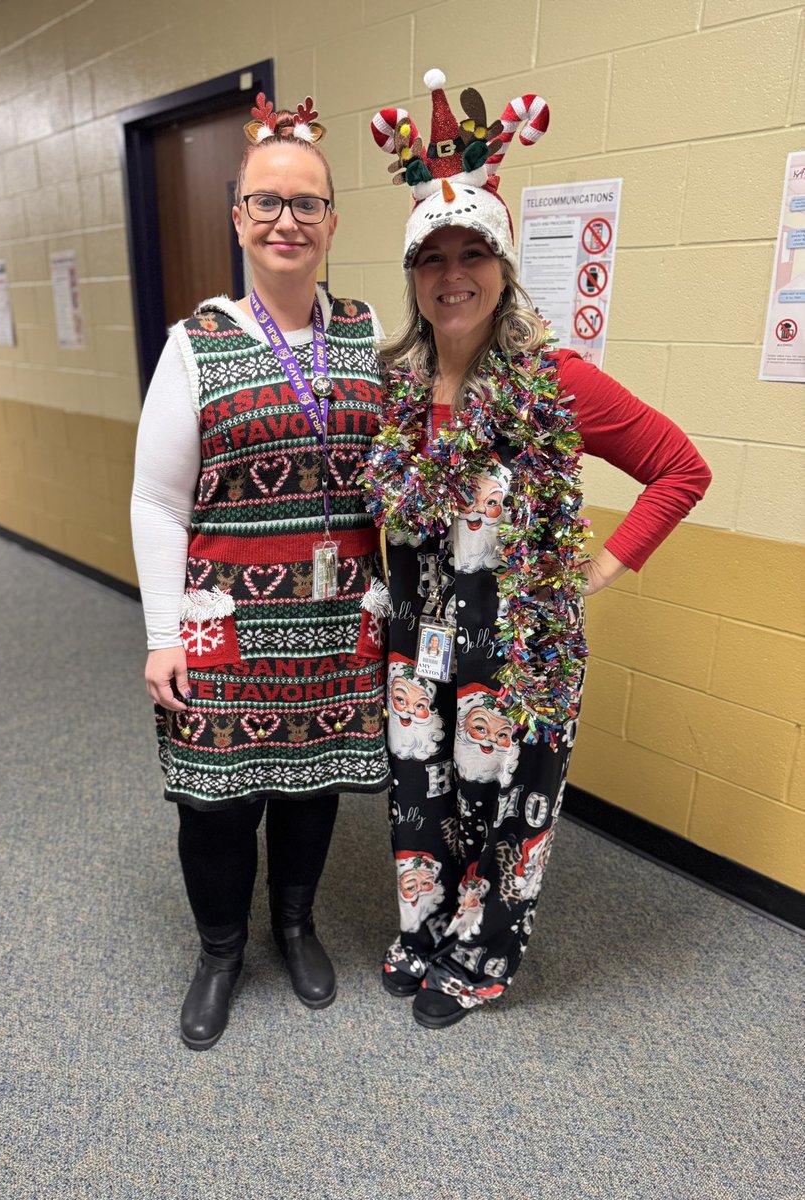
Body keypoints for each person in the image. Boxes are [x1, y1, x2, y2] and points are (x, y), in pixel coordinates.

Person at [363, 71, 712, 1027]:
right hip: (418, 642)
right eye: (431, 257)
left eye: (472, 251)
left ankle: (480, 955)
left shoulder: (555, 383)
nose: (452, 274)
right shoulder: (396, 386)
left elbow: (681, 468)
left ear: (505, 266)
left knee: (505, 806)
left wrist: (597, 569)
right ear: (412, 277)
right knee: (421, 798)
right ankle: (424, 929)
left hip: (521, 647)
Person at [131, 94, 390, 1050]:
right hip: (220, 619)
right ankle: (221, 951)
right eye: (267, 202)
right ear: (238, 215)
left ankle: (295, 926)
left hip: (332, 618)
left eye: (308, 203)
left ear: (331, 220)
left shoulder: (365, 337)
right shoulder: (195, 345)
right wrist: (163, 633)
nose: (288, 220)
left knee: (311, 785)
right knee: (219, 795)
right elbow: (157, 503)